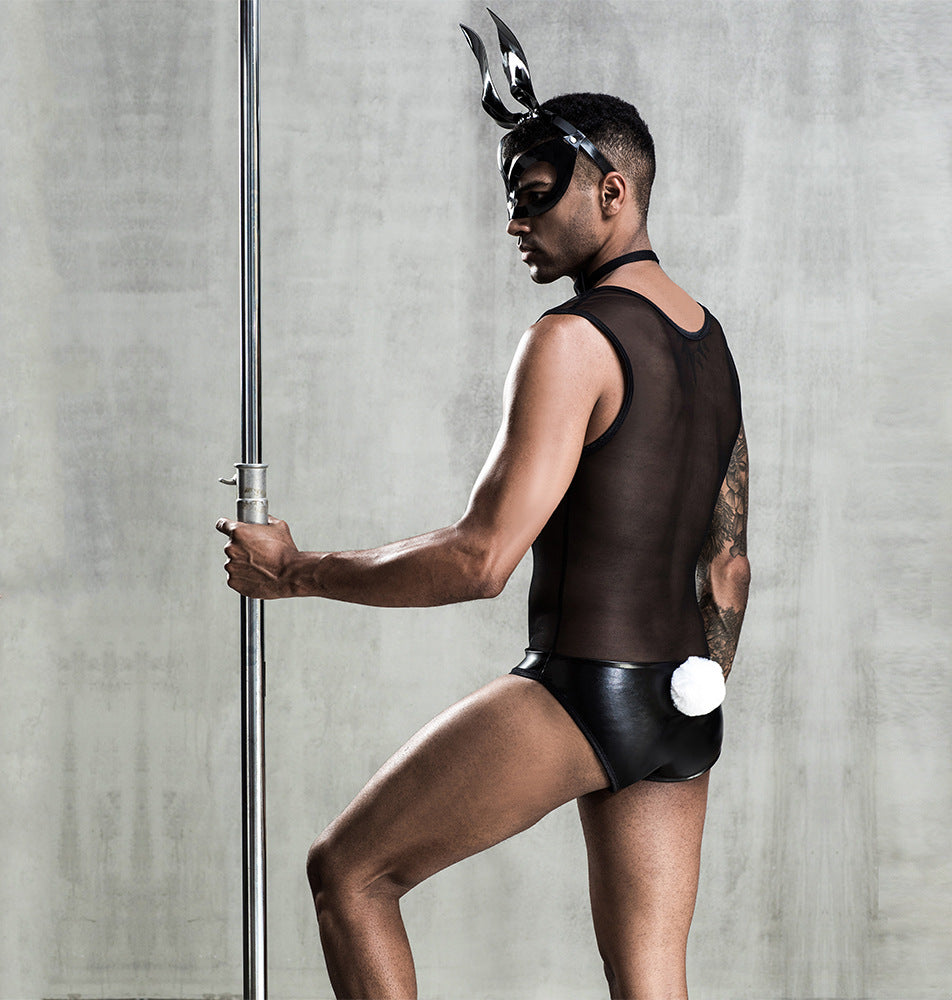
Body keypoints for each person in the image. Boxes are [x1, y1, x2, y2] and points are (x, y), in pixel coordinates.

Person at [217, 16, 749, 999]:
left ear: (613, 191)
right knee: (651, 979)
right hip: (684, 704)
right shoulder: (708, 341)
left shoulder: (572, 340)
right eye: (512, 201)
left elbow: (480, 559)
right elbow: (728, 565)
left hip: (588, 687)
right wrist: (690, 687)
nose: (515, 224)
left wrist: (293, 572)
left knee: (349, 873)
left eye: (536, 197)